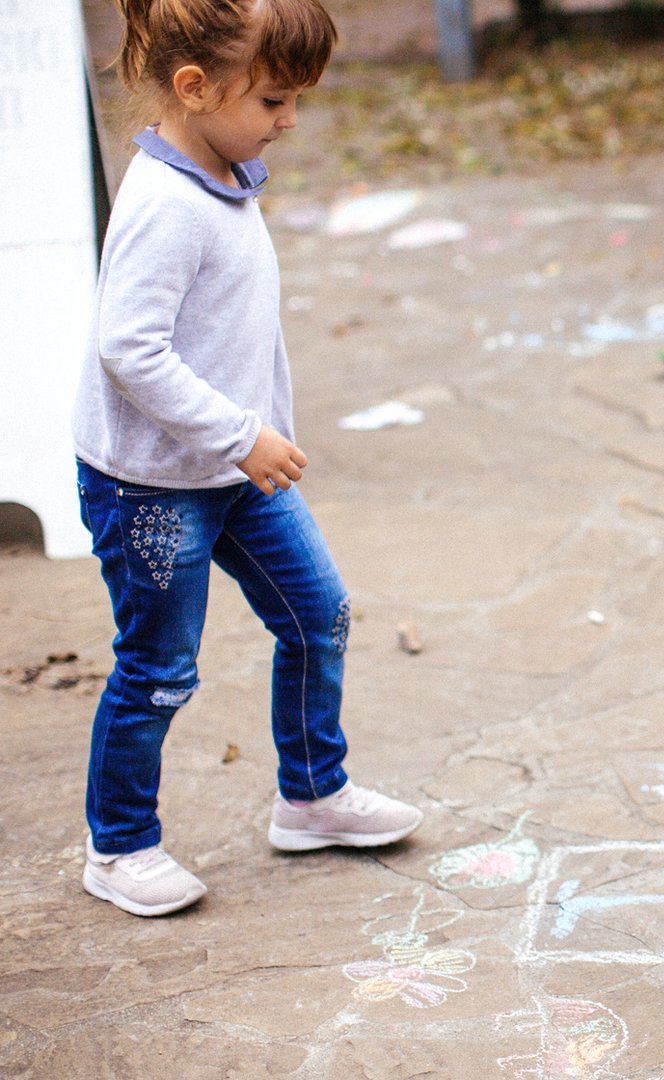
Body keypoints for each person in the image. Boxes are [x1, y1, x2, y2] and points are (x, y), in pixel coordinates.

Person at [72, 0, 421, 918]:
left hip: (236, 473)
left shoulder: (222, 171)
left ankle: (311, 795)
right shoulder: (164, 204)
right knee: (159, 669)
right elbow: (130, 349)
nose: (289, 119)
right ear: (194, 88)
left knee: (318, 616)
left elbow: (233, 329)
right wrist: (243, 434)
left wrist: (256, 433)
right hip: (153, 489)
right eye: (272, 99)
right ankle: (119, 847)